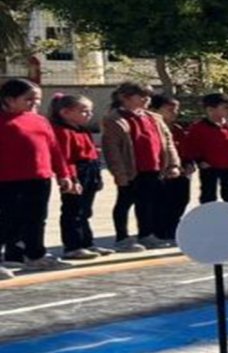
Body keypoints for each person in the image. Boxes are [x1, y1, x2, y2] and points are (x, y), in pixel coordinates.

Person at [0, 80, 74, 277]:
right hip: (7, 179)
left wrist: (63, 174)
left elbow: (54, 150)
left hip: (39, 177)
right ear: (9, 99)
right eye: (29, 99)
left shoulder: (40, 120)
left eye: (37, 99)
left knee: (36, 219)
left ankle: (35, 256)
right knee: (8, 221)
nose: (34, 103)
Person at [102, 81, 180, 252]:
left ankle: (147, 234)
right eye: (142, 96)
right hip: (132, 171)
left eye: (148, 96)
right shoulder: (114, 120)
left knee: (149, 203)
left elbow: (168, 142)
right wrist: (119, 173)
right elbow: (112, 149)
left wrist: (173, 164)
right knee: (125, 202)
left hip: (154, 168)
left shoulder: (154, 118)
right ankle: (122, 237)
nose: (147, 99)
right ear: (125, 98)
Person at [49, 93, 110, 261]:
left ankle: (87, 242)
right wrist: (72, 179)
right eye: (83, 111)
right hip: (77, 172)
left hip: (90, 170)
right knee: (73, 211)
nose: (89, 115)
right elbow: (65, 158)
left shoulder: (82, 130)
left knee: (85, 210)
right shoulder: (63, 131)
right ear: (65, 112)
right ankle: (73, 246)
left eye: (90, 111)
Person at [183, 93, 228, 205]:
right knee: (208, 195)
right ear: (210, 109)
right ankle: (208, 217)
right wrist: (200, 161)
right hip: (209, 167)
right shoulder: (198, 127)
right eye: (226, 108)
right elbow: (191, 146)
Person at [148, 94, 191, 243]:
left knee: (180, 200)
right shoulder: (150, 129)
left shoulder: (178, 129)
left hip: (180, 171)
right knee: (160, 203)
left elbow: (185, 150)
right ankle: (159, 231)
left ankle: (173, 227)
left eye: (176, 109)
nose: (174, 113)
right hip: (160, 172)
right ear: (154, 110)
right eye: (169, 109)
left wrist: (188, 163)